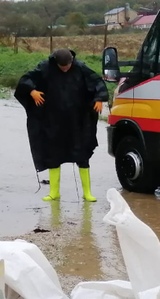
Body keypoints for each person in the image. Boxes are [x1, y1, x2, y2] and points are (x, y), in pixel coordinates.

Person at [15, 49, 108, 203]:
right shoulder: (46, 67)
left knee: (82, 154)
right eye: (62, 67)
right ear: (56, 63)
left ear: (72, 61)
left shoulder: (80, 67)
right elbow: (25, 79)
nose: (65, 69)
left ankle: (87, 193)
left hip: (77, 120)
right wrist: (32, 91)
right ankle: (54, 192)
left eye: (68, 66)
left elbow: (96, 81)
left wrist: (99, 98)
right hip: (53, 120)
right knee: (53, 154)